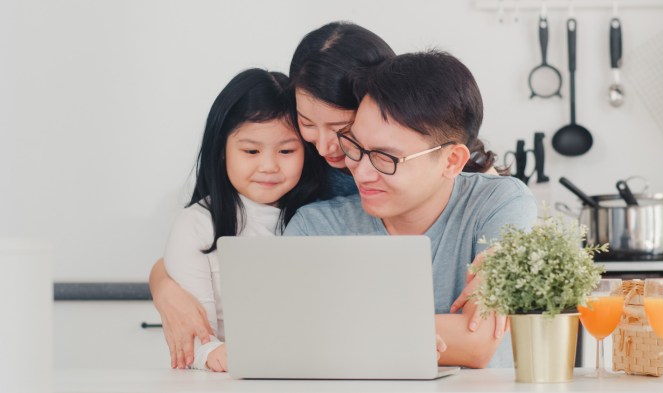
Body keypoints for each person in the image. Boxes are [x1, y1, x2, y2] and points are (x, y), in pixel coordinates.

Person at [150, 21, 506, 369]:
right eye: (307, 124)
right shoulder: (300, 176)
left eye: (343, 129)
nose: (324, 146)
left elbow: (491, 200)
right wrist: (165, 286)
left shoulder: (461, 179)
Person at [283, 50, 538, 367]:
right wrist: (403, 335)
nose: (360, 172)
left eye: (385, 158)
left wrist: (343, 332)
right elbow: (285, 337)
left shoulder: (500, 204)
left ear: (451, 161)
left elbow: (477, 341)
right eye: (356, 147)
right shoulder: (316, 227)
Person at [162, 68, 324, 371]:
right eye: (251, 150)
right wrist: (216, 353)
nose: (268, 166)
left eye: (287, 150)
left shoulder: (319, 217)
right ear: (222, 151)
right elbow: (196, 337)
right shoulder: (197, 225)